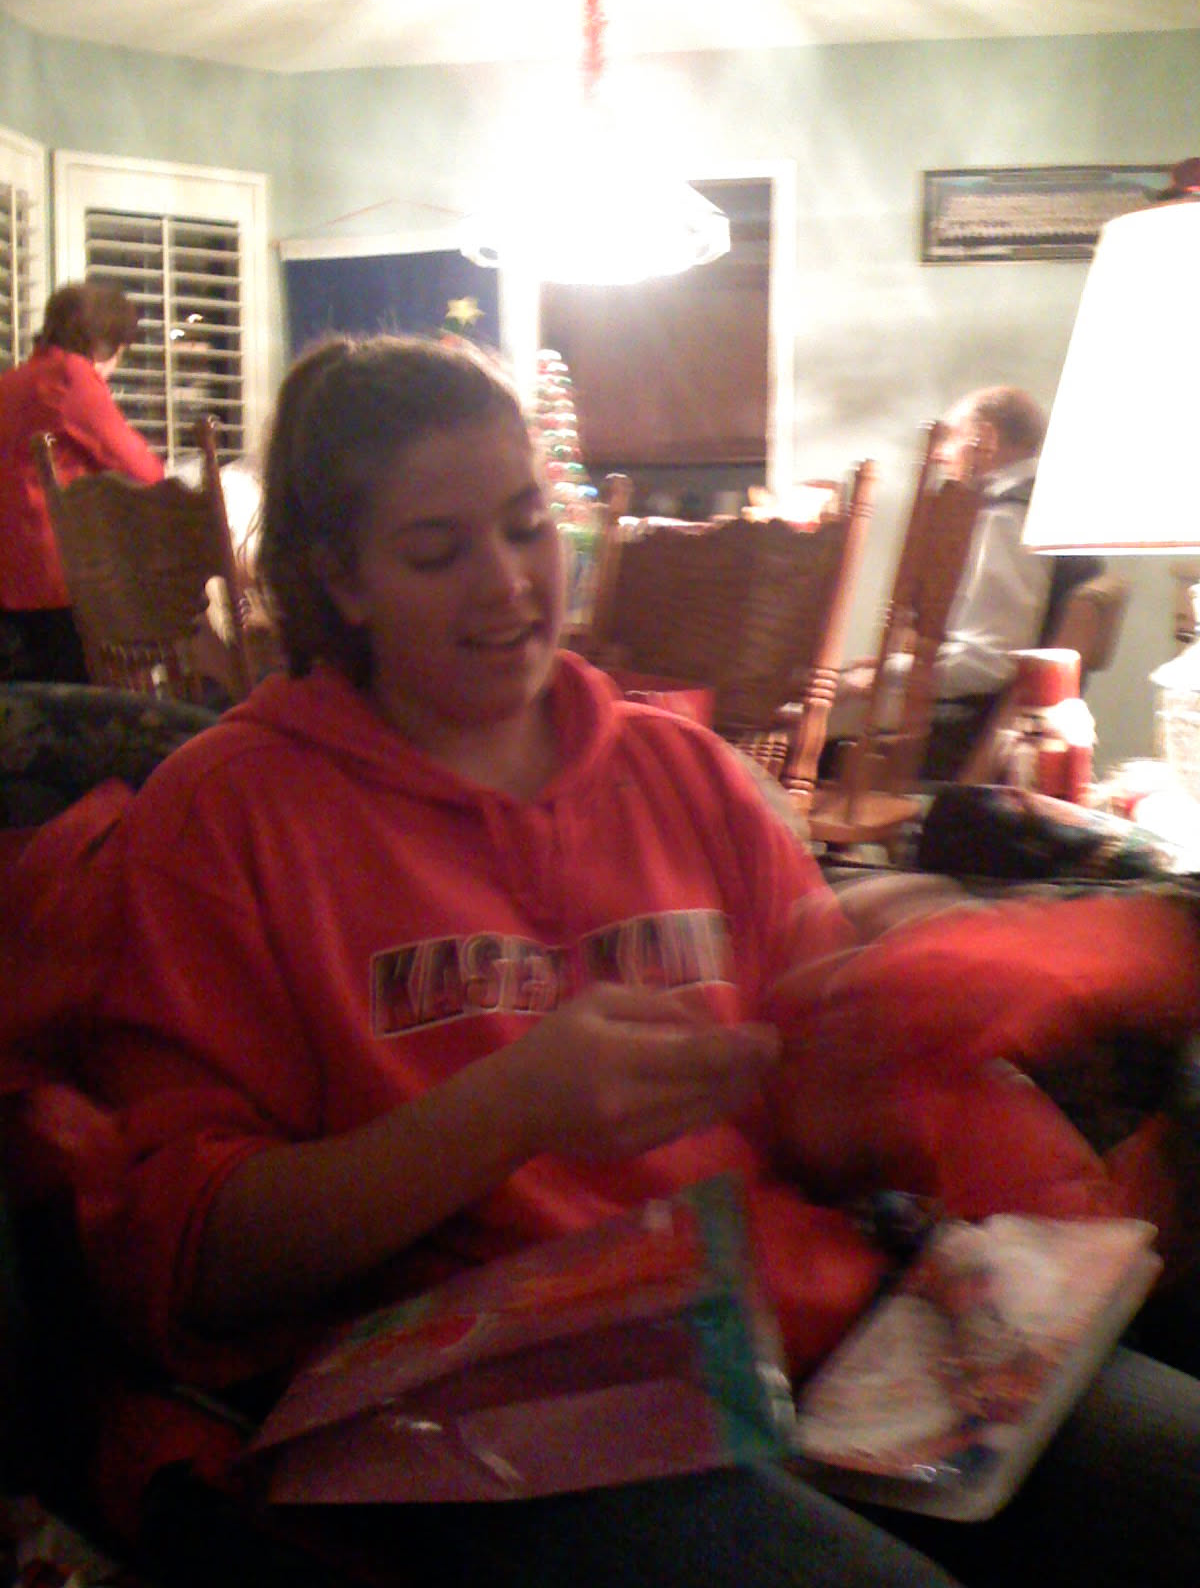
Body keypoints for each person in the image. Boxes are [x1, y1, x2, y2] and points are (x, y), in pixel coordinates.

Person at [68, 335, 1200, 1588]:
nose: (509, 584)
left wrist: (893, 1018)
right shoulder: (225, 813)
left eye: (526, 527)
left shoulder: (682, 772)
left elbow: (823, 1117)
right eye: (437, 552)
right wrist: (509, 1109)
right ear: (340, 578)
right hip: (482, 1399)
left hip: (795, 1323)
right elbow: (196, 1266)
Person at [826, 386, 1093, 781]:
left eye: (950, 438)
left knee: (793, 725)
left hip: (964, 727)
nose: (939, 454)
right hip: (973, 713)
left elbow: (989, 662)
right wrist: (886, 669)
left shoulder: (1007, 517)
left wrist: (886, 673)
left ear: (985, 438)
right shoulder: (1037, 506)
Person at [0, 279, 165, 683]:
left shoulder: (13, 381)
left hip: (10, 579)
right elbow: (143, 472)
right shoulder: (71, 376)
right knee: (81, 702)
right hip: (56, 578)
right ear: (106, 344)